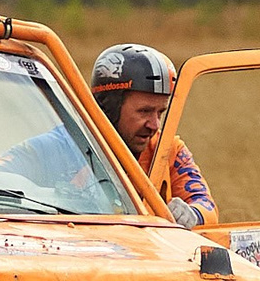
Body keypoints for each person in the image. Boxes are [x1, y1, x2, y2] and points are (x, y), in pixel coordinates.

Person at [87, 43, 218, 227]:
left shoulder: (168, 149)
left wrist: (192, 213)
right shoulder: (58, 149)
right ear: (108, 108)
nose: (155, 125)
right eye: (144, 111)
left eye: (160, 113)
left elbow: (208, 207)